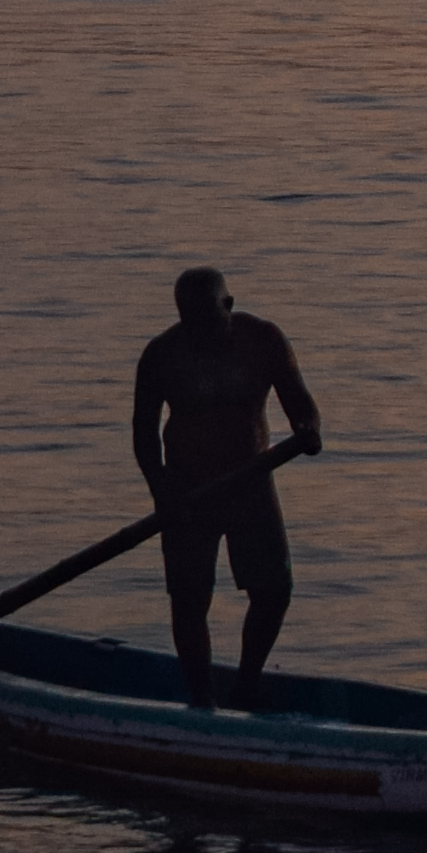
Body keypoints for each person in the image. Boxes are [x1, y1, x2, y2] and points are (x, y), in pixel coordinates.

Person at [130, 264, 324, 709]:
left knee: (274, 591)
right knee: (189, 597)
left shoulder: (264, 340)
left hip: (250, 485)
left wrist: (308, 428)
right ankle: (202, 699)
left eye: (209, 319)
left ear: (229, 306)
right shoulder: (162, 355)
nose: (200, 332)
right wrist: (164, 493)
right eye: (190, 321)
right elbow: (143, 436)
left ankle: (246, 683)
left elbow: (299, 399)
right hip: (187, 492)